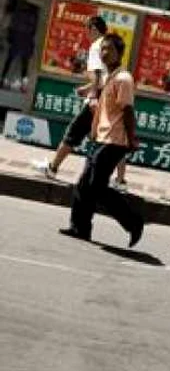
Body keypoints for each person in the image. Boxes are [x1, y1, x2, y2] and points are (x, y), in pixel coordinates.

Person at [58, 33, 144, 247]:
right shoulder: (109, 77)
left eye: (110, 50)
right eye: (102, 49)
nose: (105, 53)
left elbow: (127, 111)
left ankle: (133, 221)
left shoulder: (123, 79)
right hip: (101, 137)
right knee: (85, 184)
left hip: (114, 141)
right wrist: (94, 131)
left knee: (95, 186)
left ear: (120, 53)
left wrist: (132, 139)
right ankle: (80, 227)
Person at [33, 16, 110, 179]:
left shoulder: (96, 46)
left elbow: (97, 77)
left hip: (98, 97)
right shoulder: (108, 45)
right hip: (107, 95)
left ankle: (52, 168)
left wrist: (91, 93)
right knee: (111, 137)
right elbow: (104, 76)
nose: (86, 33)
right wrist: (88, 88)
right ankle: (120, 179)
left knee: (74, 132)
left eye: (87, 29)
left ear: (94, 30)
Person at [1, 0, 38, 89]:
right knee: (24, 62)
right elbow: (34, 30)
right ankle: (23, 81)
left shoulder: (17, 13)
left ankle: (4, 78)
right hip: (26, 40)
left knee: (10, 60)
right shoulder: (33, 15)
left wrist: (10, 37)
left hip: (17, 39)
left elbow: (11, 27)